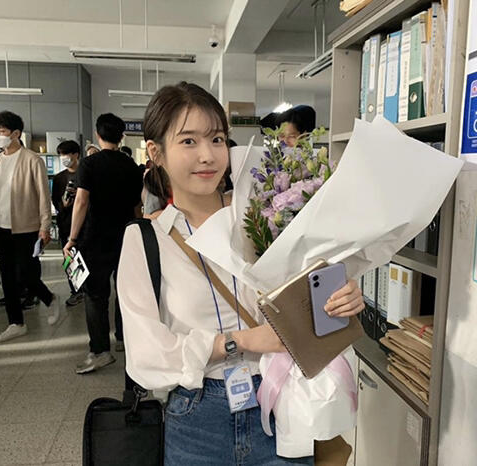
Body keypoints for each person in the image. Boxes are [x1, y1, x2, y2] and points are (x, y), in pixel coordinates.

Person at [116, 82, 364, 465]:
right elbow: (148, 356)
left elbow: (305, 304)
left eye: (217, 139)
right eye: (188, 141)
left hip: (280, 401)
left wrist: (339, 296)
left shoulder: (266, 215)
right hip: (197, 419)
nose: (207, 155)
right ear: (156, 152)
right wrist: (242, 341)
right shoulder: (145, 240)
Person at [63, 113, 143, 374]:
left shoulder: (90, 164)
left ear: (98, 135)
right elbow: (137, 207)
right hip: (126, 237)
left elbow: (81, 202)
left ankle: (100, 352)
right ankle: (123, 338)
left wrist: (72, 238)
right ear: (122, 137)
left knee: (95, 295)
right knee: (125, 291)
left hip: (94, 238)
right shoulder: (131, 166)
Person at [0, 111, 56, 342]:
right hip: (1, 225)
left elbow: (43, 195)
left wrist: (45, 226)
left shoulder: (32, 160)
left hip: (26, 226)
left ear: (15, 134)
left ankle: (49, 298)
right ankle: (16, 323)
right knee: (7, 275)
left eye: (1, 131)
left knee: (26, 274)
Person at [52, 140, 84, 307]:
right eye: (61, 155)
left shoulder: (85, 174)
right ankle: (75, 290)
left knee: (85, 258)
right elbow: (55, 200)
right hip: (66, 224)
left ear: (76, 155)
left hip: (84, 225)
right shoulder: (59, 178)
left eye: (66, 154)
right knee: (68, 259)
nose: (63, 158)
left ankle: (86, 289)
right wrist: (63, 204)